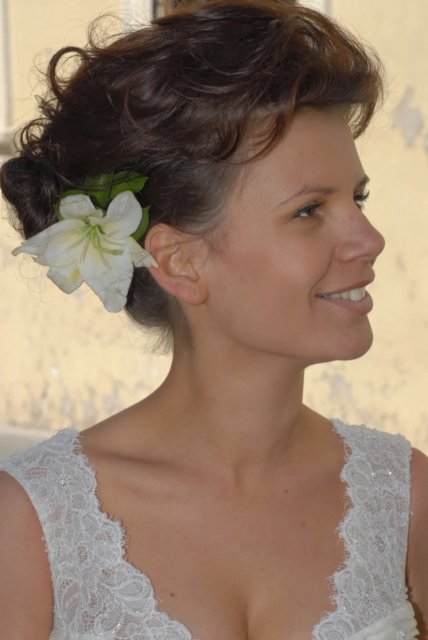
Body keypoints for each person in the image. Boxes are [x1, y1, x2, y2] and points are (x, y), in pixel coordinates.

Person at [0, 0, 427, 638]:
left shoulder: (406, 497)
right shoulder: (33, 524)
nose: (370, 240)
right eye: (309, 210)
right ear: (181, 263)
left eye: (358, 199)